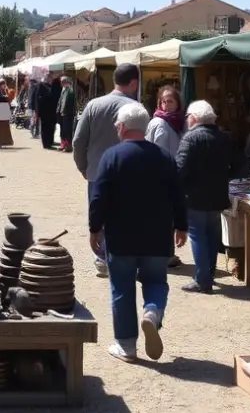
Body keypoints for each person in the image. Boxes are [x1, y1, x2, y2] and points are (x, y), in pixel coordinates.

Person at [89, 101, 187, 363]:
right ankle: (152, 313)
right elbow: (178, 195)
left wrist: (95, 228)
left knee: (122, 287)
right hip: (157, 236)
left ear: (122, 127)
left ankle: (126, 346)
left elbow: (99, 197)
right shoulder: (164, 157)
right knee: (156, 282)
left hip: (121, 237)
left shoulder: (112, 156)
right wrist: (181, 226)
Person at [72, 62, 140, 278]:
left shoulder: (93, 105)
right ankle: (119, 257)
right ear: (134, 83)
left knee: (98, 214)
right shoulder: (135, 109)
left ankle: (102, 257)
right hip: (127, 174)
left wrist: (83, 167)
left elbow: (78, 141)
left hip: (96, 172)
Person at [174, 100, 237, 294]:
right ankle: (209, 273)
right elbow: (240, 164)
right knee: (212, 234)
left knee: (198, 236)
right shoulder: (224, 138)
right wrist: (225, 176)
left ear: (193, 118)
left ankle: (203, 279)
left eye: (188, 117)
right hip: (217, 194)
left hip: (195, 196)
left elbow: (180, 169)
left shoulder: (190, 138)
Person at [147, 85, 187, 269]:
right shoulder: (159, 123)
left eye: (170, 101)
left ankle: (166, 254)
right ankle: (162, 256)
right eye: (163, 101)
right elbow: (154, 150)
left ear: (177, 103)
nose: (166, 105)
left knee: (168, 218)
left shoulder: (178, 123)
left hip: (173, 176)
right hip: (160, 177)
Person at [37, 76, 59, 149]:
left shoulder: (47, 89)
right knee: (47, 128)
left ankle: (48, 142)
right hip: (48, 113)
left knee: (47, 128)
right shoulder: (46, 88)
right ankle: (47, 143)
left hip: (47, 113)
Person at [57, 76, 78, 152]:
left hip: (67, 114)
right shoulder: (65, 90)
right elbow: (61, 101)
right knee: (63, 130)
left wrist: (63, 111)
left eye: (61, 82)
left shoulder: (69, 90)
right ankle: (64, 144)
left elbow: (65, 102)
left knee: (67, 130)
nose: (61, 83)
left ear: (64, 82)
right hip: (64, 113)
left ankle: (68, 146)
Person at [0, 78, 14, 147]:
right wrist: (6, 98)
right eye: (3, 84)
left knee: (5, 125)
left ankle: (5, 142)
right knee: (0, 126)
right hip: (0, 109)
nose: (4, 85)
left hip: (4, 109)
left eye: (5, 84)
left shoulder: (5, 90)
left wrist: (8, 97)